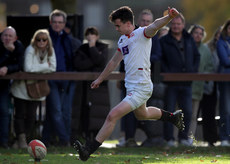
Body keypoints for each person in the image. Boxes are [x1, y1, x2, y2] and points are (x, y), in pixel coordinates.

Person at [74, 6, 184, 161]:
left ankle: (88, 150)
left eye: (118, 25)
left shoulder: (142, 33)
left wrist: (169, 17)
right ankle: (173, 117)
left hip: (142, 87)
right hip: (131, 87)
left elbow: (155, 25)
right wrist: (100, 78)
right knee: (142, 114)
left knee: (112, 116)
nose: (116, 28)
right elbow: (113, 62)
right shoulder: (122, 39)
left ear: (128, 23)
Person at [116, 8, 163, 147]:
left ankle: (151, 137)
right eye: (143, 20)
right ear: (137, 21)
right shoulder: (128, 36)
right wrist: (120, 76)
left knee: (142, 113)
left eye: (148, 21)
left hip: (144, 80)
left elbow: (157, 56)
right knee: (129, 113)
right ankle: (129, 138)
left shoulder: (152, 36)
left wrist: (143, 59)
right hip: (128, 79)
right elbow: (122, 58)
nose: (145, 23)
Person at [10, 29, 56, 149]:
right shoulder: (30, 49)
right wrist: (45, 66)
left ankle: (20, 140)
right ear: (34, 40)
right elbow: (28, 68)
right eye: (38, 39)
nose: (41, 42)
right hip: (22, 88)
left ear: (47, 41)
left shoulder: (50, 50)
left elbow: (54, 68)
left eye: (44, 39)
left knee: (31, 116)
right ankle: (20, 139)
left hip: (38, 89)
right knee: (19, 115)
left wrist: (40, 68)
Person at [160, 14, 200, 147]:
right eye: (174, 24)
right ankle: (169, 139)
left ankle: (183, 138)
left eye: (178, 24)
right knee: (169, 111)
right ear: (171, 25)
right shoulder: (164, 40)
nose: (176, 26)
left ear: (183, 25)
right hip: (170, 83)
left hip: (187, 82)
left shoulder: (189, 39)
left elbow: (196, 56)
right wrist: (168, 71)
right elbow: (160, 59)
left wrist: (192, 71)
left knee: (187, 112)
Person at [42, 9, 74, 147]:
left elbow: (70, 58)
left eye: (60, 22)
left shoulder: (68, 38)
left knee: (63, 111)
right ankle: (65, 140)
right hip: (50, 78)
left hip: (66, 78)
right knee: (56, 110)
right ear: (50, 22)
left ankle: (46, 139)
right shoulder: (44, 37)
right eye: (54, 22)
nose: (57, 25)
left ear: (64, 23)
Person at [73, 26, 109, 140]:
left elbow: (101, 62)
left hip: (99, 88)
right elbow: (79, 65)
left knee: (98, 112)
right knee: (84, 110)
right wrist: (94, 61)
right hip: (83, 87)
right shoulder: (82, 48)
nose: (90, 36)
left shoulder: (103, 47)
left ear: (97, 36)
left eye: (93, 34)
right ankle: (84, 135)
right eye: (88, 34)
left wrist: (92, 47)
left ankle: (97, 137)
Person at [187, 25, 214, 145]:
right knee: (180, 113)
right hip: (184, 85)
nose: (198, 35)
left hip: (198, 87)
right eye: (196, 33)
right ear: (191, 33)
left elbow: (210, 67)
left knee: (193, 115)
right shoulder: (186, 44)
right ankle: (175, 138)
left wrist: (204, 76)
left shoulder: (205, 50)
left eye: (200, 33)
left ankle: (189, 139)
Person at [0, 26, 24, 149]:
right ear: (1, 36)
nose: (7, 38)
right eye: (5, 35)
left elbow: (20, 65)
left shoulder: (18, 46)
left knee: (4, 112)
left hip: (4, 86)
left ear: (15, 38)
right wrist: (6, 52)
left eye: (10, 36)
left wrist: (8, 68)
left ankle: (3, 142)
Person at [200, 27, 221, 146]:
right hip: (209, 84)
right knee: (208, 112)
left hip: (222, 82)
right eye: (217, 34)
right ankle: (210, 138)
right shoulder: (208, 48)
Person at [216, 19, 230, 146]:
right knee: (225, 109)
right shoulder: (221, 42)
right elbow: (225, 61)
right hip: (225, 80)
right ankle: (225, 137)